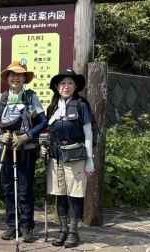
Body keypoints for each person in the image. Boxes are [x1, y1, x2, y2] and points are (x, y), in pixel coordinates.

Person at [0, 60, 47, 243]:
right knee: (8, 188)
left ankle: (27, 226)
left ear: (24, 79)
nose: (15, 78)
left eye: (19, 75)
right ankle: (12, 225)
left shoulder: (30, 97)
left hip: (25, 147)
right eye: (12, 75)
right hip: (4, 147)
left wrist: (27, 136)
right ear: (7, 78)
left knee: (25, 188)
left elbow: (43, 121)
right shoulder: (1, 98)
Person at [43, 68, 95, 248]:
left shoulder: (81, 104)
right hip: (56, 157)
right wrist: (46, 148)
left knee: (75, 195)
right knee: (60, 195)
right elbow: (50, 133)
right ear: (57, 87)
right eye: (63, 83)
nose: (66, 86)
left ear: (75, 86)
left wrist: (90, 159)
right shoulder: (53, 107)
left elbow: (88, 133)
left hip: (76, 156)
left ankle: (74, 232)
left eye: (70, 83)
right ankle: (62, 230)